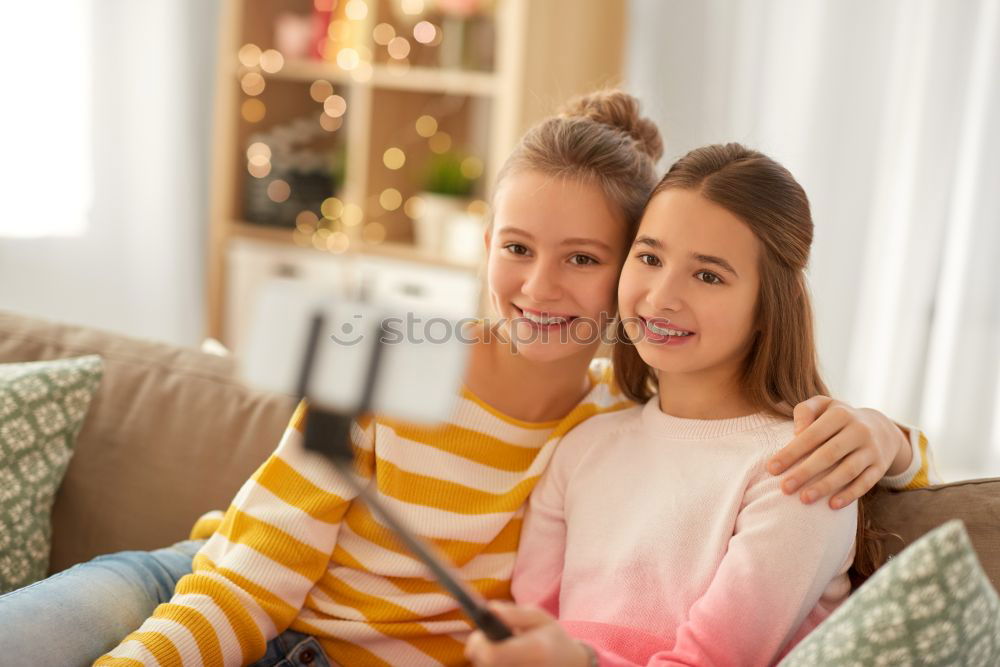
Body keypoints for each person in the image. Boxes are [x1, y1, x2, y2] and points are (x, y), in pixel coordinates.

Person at [0, 95, 933, 667]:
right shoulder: (388, 356)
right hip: (207, 582)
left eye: (584, 257)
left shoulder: (619, 416)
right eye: (516, 248)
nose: (538, 286)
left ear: (620, 270)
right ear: (484, 243)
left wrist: (888, 435)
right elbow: (248, 584)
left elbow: (766, 435)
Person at [464, 143, 942, 667]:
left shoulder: (798, 468)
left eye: (708, 275)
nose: (662, 296)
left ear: (769, 307)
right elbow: (535, 629)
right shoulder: (583, 445)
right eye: (649, 258)